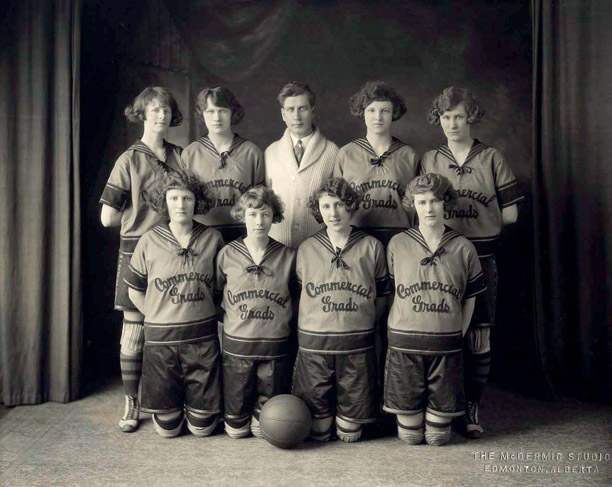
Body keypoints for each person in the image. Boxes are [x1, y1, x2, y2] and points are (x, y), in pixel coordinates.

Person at [420, 87, 524, 438]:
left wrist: (476, 224)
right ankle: (438, 404)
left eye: (459, 116)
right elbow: (418, 209)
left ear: (471, 117)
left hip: (480, 255)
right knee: (438, 330)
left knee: (478, 334)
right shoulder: (430, 159)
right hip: (441, 253)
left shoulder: (491, 156)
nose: (452, 123)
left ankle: (471, 407)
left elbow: (510, 214)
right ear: (439, 119)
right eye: (446, 116)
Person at [99, 86, 184, 432]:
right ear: (142, 115)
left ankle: (174, 399)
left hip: (177, 250)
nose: (160, 116)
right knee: (135, 328)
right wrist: (139, 218)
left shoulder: (180, 156)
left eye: (165, 110)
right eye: (154, 110)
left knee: (178, 323)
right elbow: (107, 217)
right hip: (139, 252)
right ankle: (132, 402)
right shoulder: (129, 159)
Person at [384, 173, 486, 446]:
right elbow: (392, 291)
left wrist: (458, 332)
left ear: (446, 203)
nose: (429, 208)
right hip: (405, 344)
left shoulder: (463, 247)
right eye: (421, 202)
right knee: (410, 435)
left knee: (438, 437)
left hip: (446, 346)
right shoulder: (397, 244)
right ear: (412, 205)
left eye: (435, 201)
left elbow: (470, 298)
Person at [124, 169, 224, 438]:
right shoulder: (149, 240)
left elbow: (220, 289)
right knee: (168, 430)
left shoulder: (212, 238)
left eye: (187, 198)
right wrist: (157, 314)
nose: (181, 205)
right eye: (174, 198)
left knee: (202, 429)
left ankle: (197, 408)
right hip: (161, 342)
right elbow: (134, 292)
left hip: (201, 339)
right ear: (164, 202)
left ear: (197, 201)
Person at [292, 178, 391, 443]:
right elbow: (300, 294)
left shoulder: (372, 246)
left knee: (350, 433)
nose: (333, 213)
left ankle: (348, 417)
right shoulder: (307, 248)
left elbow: (382, 297)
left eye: (339, 205)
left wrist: (363, 321)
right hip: (315, 345)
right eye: (326, 206)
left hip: (356, 345)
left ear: (350, 206)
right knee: (318, 432)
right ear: (318, 210)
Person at [216, 187, 296, 439]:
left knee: (266, 427)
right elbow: (216, 295)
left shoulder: (288, 256)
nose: (259, 222)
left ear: (275, 217)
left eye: (266, 214)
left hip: (274, 347)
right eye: (252, 215)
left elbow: (297, 296)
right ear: (242, 216)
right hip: (238, 347)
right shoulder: (227, 254)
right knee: (235, 430)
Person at [333, 80, 419, 247]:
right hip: (356, 238)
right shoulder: (346, 153)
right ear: (362, 112)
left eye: (384, 111)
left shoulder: (408, 155)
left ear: (393, 113)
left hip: (400, 238)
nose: (378, 117)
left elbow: (418, 206)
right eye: (371, 110)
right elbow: (336, 201)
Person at [182, 86, 264, 243]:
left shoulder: (252, 153)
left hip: (244, 236)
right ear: (202, 114)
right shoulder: (190, 153)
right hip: (201, 238)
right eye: (210, 112)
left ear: (232, 113)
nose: (216, 118)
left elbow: (261, 202)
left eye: (222, 111)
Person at [264, 81, 339, 248]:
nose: (296, 117)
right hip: (277, 246)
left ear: (312, 111)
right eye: (290, 110)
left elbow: (338, 203)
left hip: (319, 245)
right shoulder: (270, 152)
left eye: (302, 109)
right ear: (283, 114)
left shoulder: (332, 151)